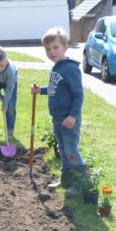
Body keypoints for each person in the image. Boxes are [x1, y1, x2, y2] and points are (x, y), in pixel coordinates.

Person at [31, 27, 86, 196]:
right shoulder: (56, 68)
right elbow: (57, 89)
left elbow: (78, 95)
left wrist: (73, 116)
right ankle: (66, 180)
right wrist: (41, 91)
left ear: (65, 47)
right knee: (62, 149)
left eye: (55, 47)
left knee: (70, 150)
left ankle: (81, 183)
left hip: (68, 120)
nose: (51, 52)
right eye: (48, 49)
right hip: (57, 119)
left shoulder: (70, 68)